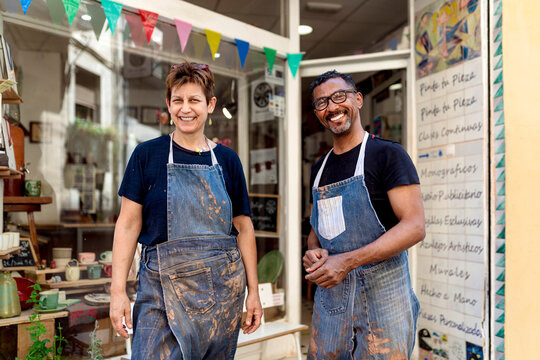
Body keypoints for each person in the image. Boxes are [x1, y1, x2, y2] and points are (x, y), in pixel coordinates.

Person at [110, 62, 262, 359]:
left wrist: (253, 291)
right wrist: (118, 291)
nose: (185, 108)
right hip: (161, 291)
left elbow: (243, 228)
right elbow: (127, 224)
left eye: (194, 100)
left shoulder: (228, 160)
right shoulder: (146, 155)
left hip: (221, 293)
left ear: (210, 105)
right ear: (168, 104)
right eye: (178, 100)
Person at [303, 70, 425, 359]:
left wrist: (346, 261)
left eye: (339, 97)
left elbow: (414, 226)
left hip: (385, 301)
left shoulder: (387, 155)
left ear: (357, 99)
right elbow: (316, 233)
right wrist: (313, 253)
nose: (331, 107)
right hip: (332, 302)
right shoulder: (318, 169)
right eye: (321, 103)